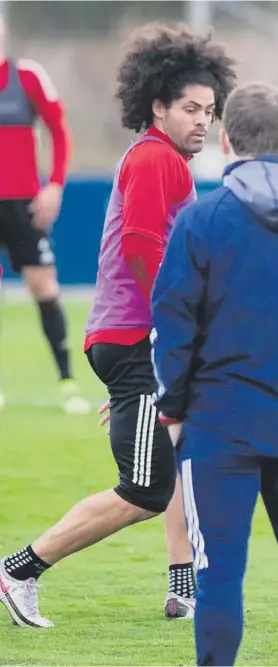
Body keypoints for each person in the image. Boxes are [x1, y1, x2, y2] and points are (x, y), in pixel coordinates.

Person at [0, 23, 237, 628]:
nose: (201, 120)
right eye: (189, 107)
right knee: (144, 489)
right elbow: (139, 247)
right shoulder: (158, 158)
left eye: (209, 109)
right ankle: (20, 569)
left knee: (178, 444)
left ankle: (184, 582)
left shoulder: (162, 161)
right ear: (157, 105)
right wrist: (178, 330)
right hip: (136, 339)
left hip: (134, 343)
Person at [150, 81, 278, 666]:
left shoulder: (203, 220)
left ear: (225, 139)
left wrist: (175, 404)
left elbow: (174, 323)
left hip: (219, 427)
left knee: (218, 574)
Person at [0, 13, 89, 414]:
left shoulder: (28, 77)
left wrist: (54, 183)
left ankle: (67, 381)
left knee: (44, 288)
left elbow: (59, 129)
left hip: (23, 204)